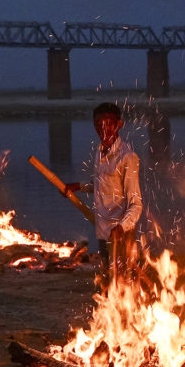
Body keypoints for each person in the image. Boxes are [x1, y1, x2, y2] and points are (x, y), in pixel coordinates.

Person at [66, 102, 143, 286]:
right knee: (108, 281)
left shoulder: (127, 157)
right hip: (103, 231)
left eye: (108, 123)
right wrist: (80, 187)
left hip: (120, 235)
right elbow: (104, 185)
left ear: (119, 124)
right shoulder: (100, 152)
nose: (103, 128)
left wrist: (122, 228)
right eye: (98, 123)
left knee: (123, 285)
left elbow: (136, 203)